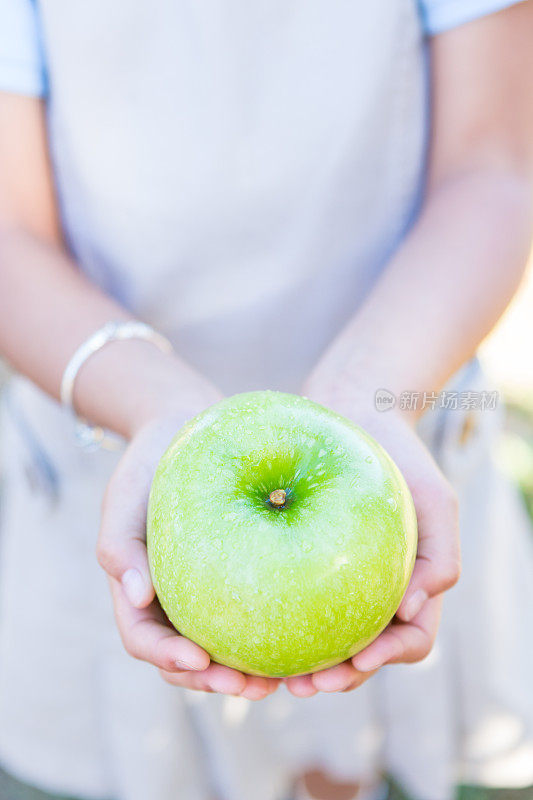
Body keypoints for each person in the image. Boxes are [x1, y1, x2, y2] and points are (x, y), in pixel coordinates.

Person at [0, 1, 532, 799]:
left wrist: (371, 392)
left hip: (396, 416)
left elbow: (490, 167)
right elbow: (11, 232)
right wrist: (154, 406)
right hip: (118, 441)